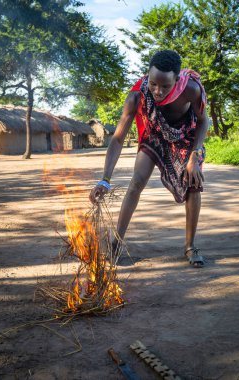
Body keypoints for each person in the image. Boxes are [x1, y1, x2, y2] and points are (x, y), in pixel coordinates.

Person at [89, 50, 209, 267]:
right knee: (136, 181)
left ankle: (190, 247)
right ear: (147, 76)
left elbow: (203, 121)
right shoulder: (136, 97)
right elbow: (117, 139)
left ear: (177, 80)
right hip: (154, 135)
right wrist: (105, 178)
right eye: (153, 84)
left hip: (185, 137)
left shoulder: (191, 90)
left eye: (165, 86)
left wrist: (194, 156)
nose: (158, 91)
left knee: (193, 182)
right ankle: (117, 243)